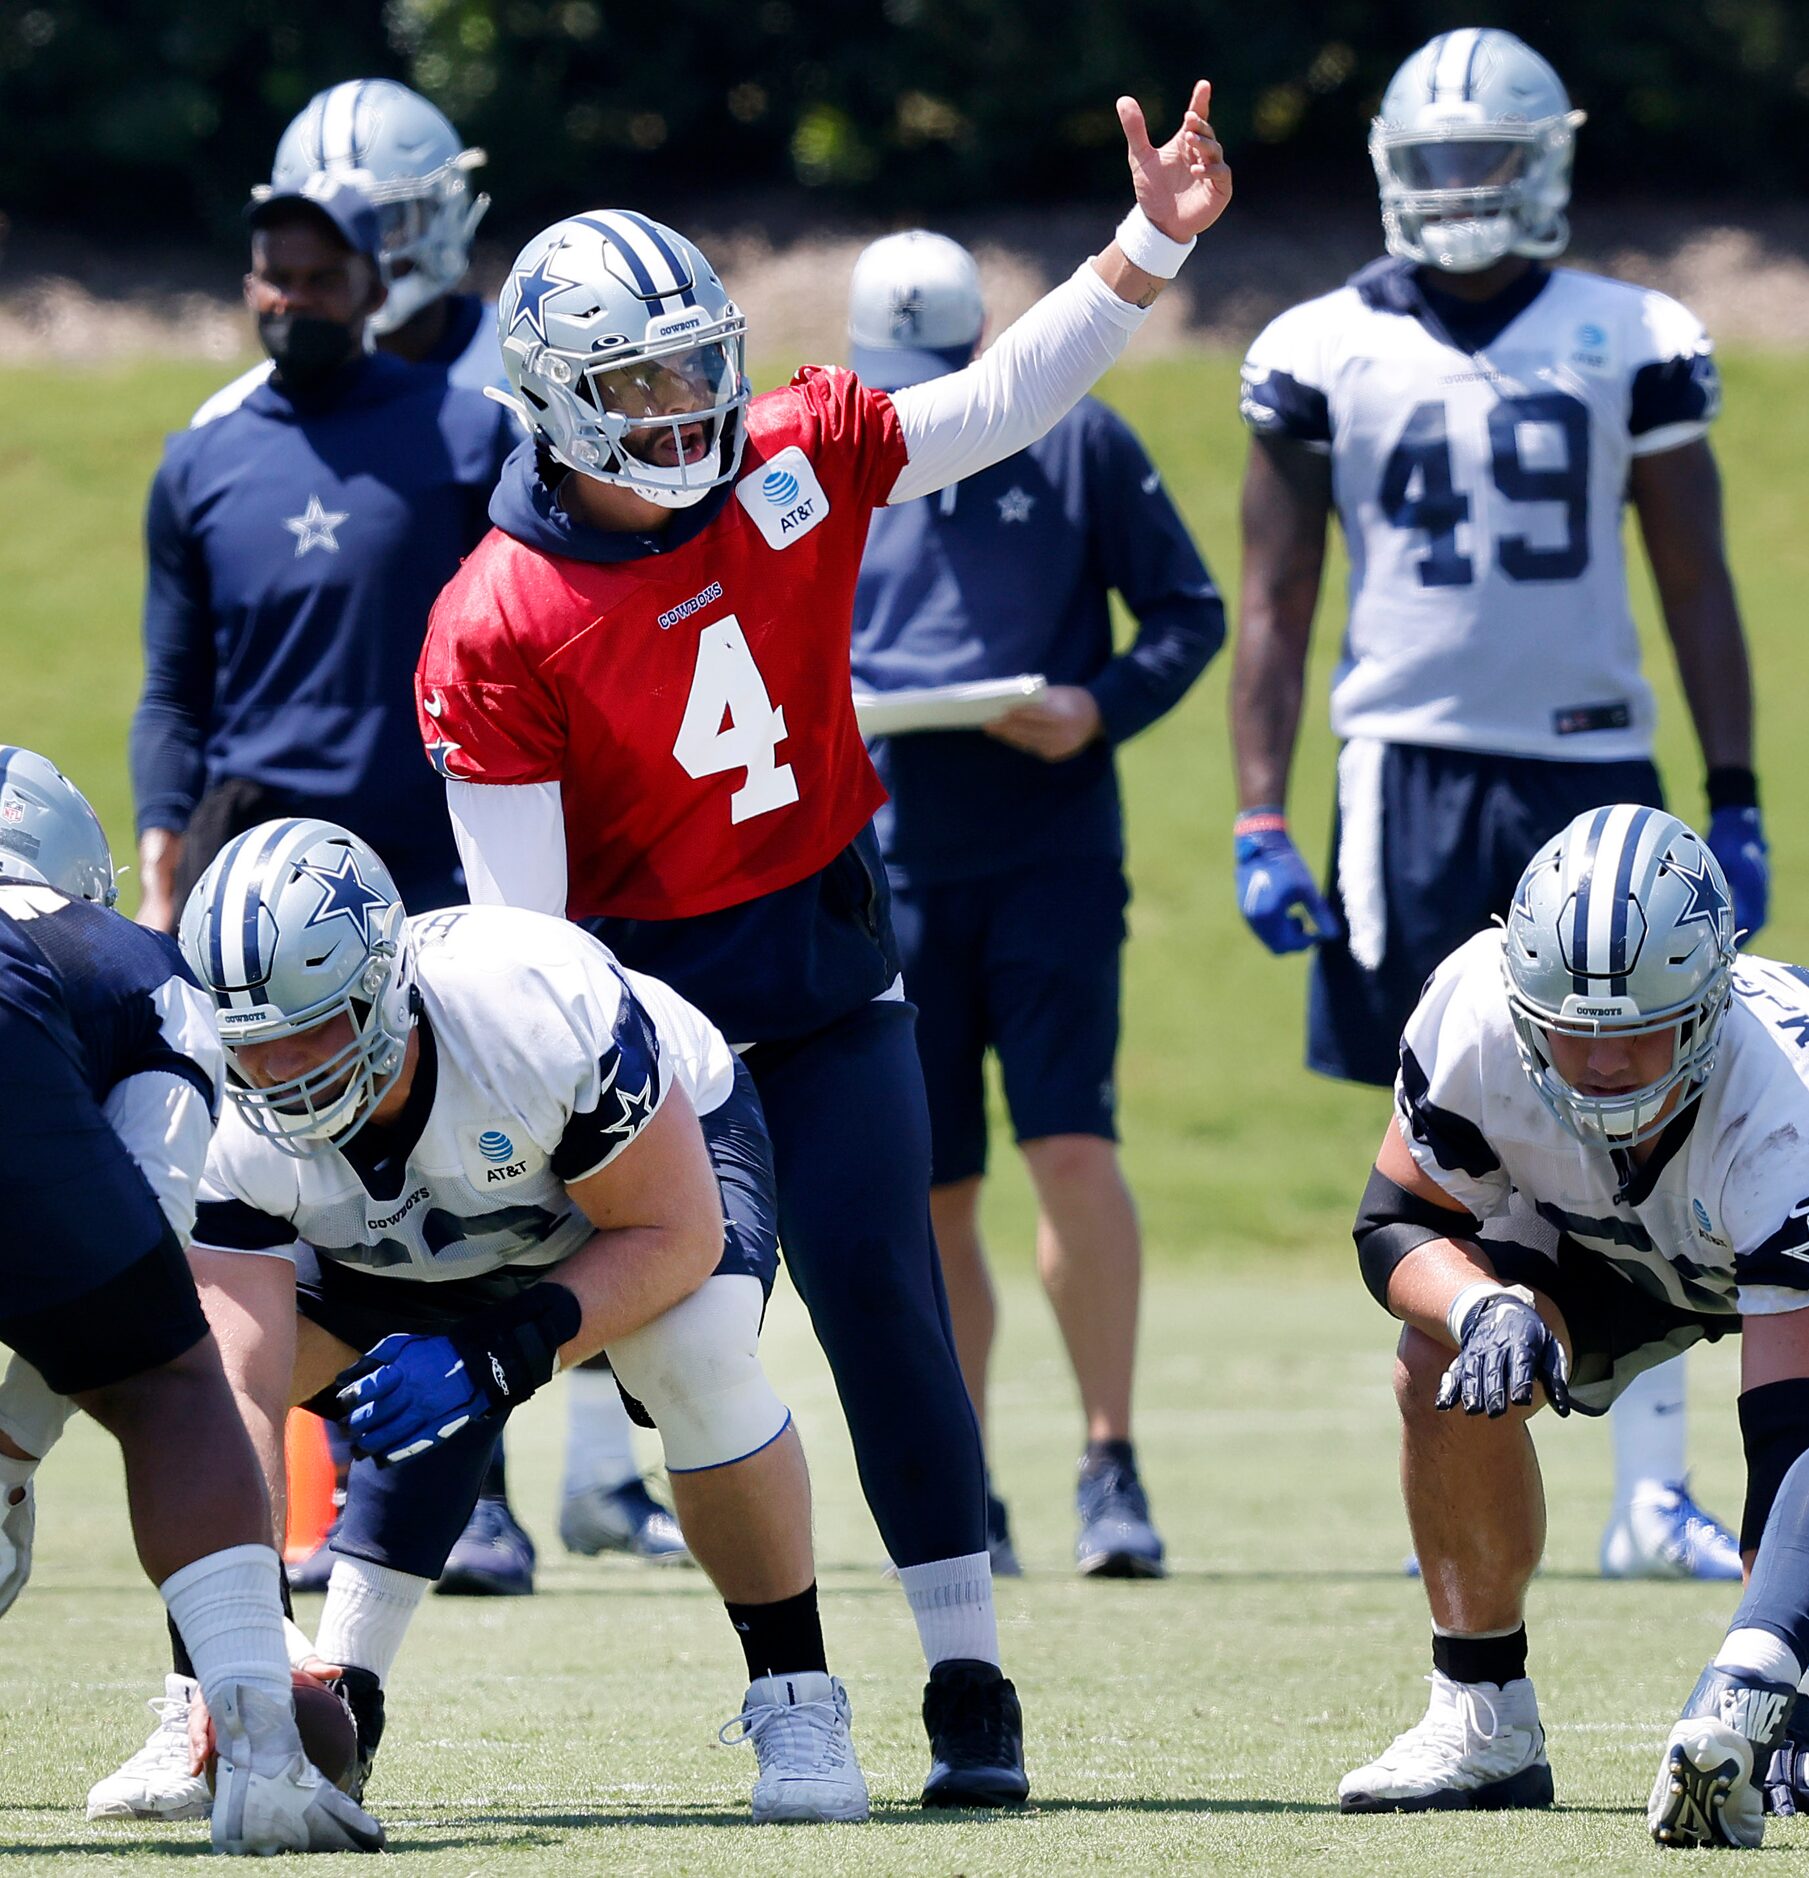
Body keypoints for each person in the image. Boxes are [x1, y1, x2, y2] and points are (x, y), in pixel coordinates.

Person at [413, 82, 1231, 1803]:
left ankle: (967, 1682)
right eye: (635, 383)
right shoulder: (500, 611)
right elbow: (522, 937)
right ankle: (777, 1683)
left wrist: (1146, 243)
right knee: (696, 1339)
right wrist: (587, 1132)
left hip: (824, 966)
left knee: (887, 1303)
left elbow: (997, 402)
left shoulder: (786, 458)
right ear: (556, 403)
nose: (682, 404)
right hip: (647, 1017)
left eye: (694, 362)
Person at [1230, 27, 1764, 1579]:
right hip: (1399, 758)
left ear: (1548, 169)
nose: (1463, 192)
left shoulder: (1632, 331)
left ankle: (1651, 1488)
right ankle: (1458, 1429)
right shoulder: (1316, 343)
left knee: (1653, 1096)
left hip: (1590, 754)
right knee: (1445, 1114)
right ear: (1396, 176)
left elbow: (1694, 577)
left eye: (1491, 164)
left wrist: (1732, 791)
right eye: (1438, 165)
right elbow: (1274, 600)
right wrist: (1262, 813)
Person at [105, 818, 872, 1826]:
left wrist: (498, 1354)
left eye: (313, 1028)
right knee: (189, 1393)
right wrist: (241, 1653)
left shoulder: (534, 1008)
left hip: (625, 1190)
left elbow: (672, 1234)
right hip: (416, 1224)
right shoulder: (227, 1110)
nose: (284, 1069)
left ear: (384, 986)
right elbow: (237, 1388)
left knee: (689, 1352)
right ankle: (205, 1702)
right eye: (255, 1045)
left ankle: (797, 1696)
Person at [190, 80, 682, 1589]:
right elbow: (190, 662)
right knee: (358, 1179)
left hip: (478, 813)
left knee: (558, 1130)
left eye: (398, 226)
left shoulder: (520, 376)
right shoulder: (229, 430)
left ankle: (598, 1470)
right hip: (298, 863)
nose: (377, 259)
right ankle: (428, 1498)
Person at [846, 230, 1223, 1578]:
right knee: (934, 1182)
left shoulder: (1079, 442)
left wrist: (1098, 707)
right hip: (886, 861)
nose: (920, 394)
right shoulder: (830, 453)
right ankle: (970, 1479)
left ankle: (1109, 1462)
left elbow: (1186, 614)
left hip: (1053, 854)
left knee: (1071, 1145)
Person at [1339, 803, 1809, 1847]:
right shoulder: (1474, 1010)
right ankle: (1483, 1717)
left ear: (1706, 1006)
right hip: (1596, 1235)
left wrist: (1757, 1669)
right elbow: (1395, 1222)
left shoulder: (1785, 1106)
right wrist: (1486, 1305)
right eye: (1573, 1028)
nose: (1601, 1064)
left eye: (1639, 1032)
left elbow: (1792, 1433)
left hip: (1759, 1237)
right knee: (1441, 1355)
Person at [0, 760, 384, 1854]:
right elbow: (142, 1269)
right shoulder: (127, 959)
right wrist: (14, 1443)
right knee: (175, 1381)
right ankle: (262, 1756)